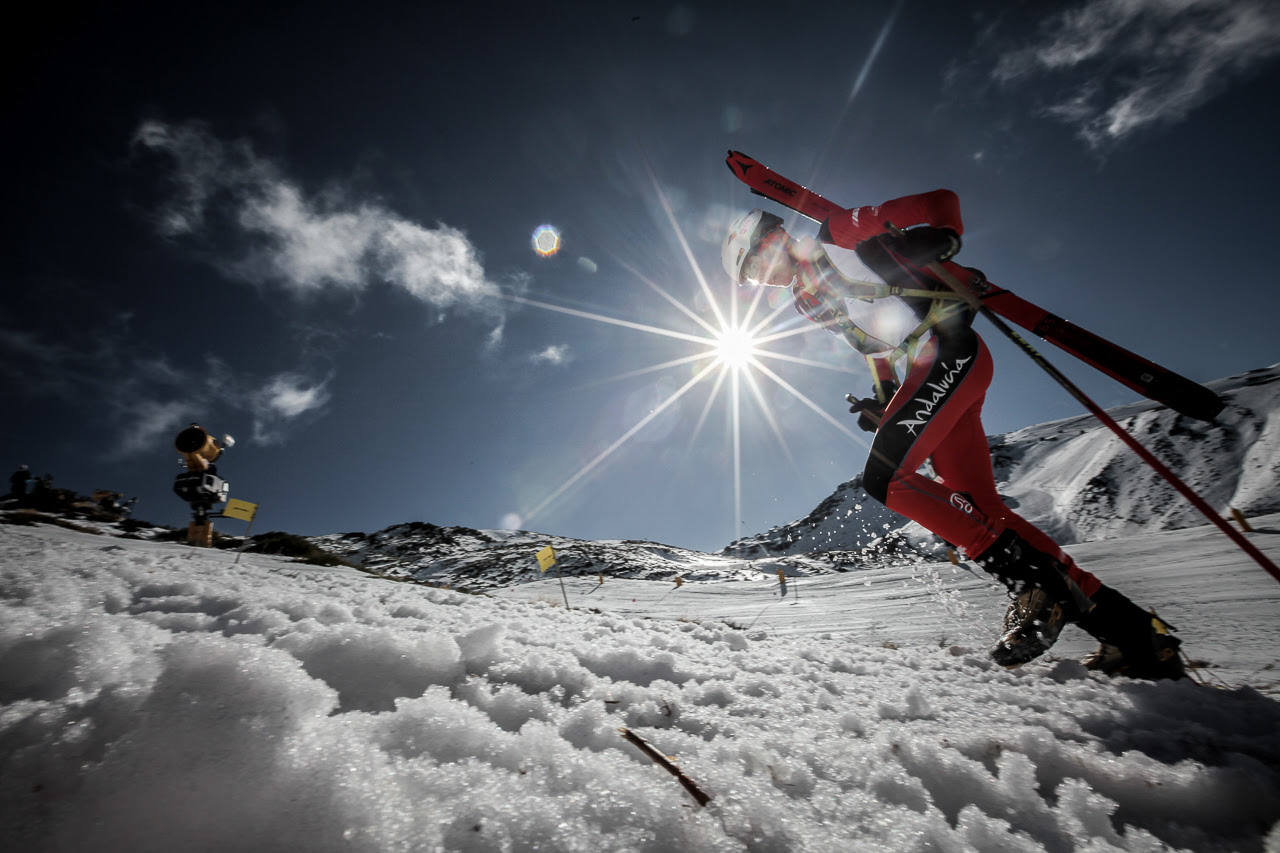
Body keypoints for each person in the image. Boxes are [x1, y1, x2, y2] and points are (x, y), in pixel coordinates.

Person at [721, 197, 1185, 681]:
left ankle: (1033, 585)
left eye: (755, 266)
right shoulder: (807, 299)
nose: (761, 279)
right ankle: (1137, 638)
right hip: (933, 367)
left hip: (949, 352)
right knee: (983, 510)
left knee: (885, 479)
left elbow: (940, 201)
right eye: (751, 279)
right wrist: (882, 400)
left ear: (771, 238)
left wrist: (946, 235)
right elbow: (876, 347)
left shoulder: (835, 235)